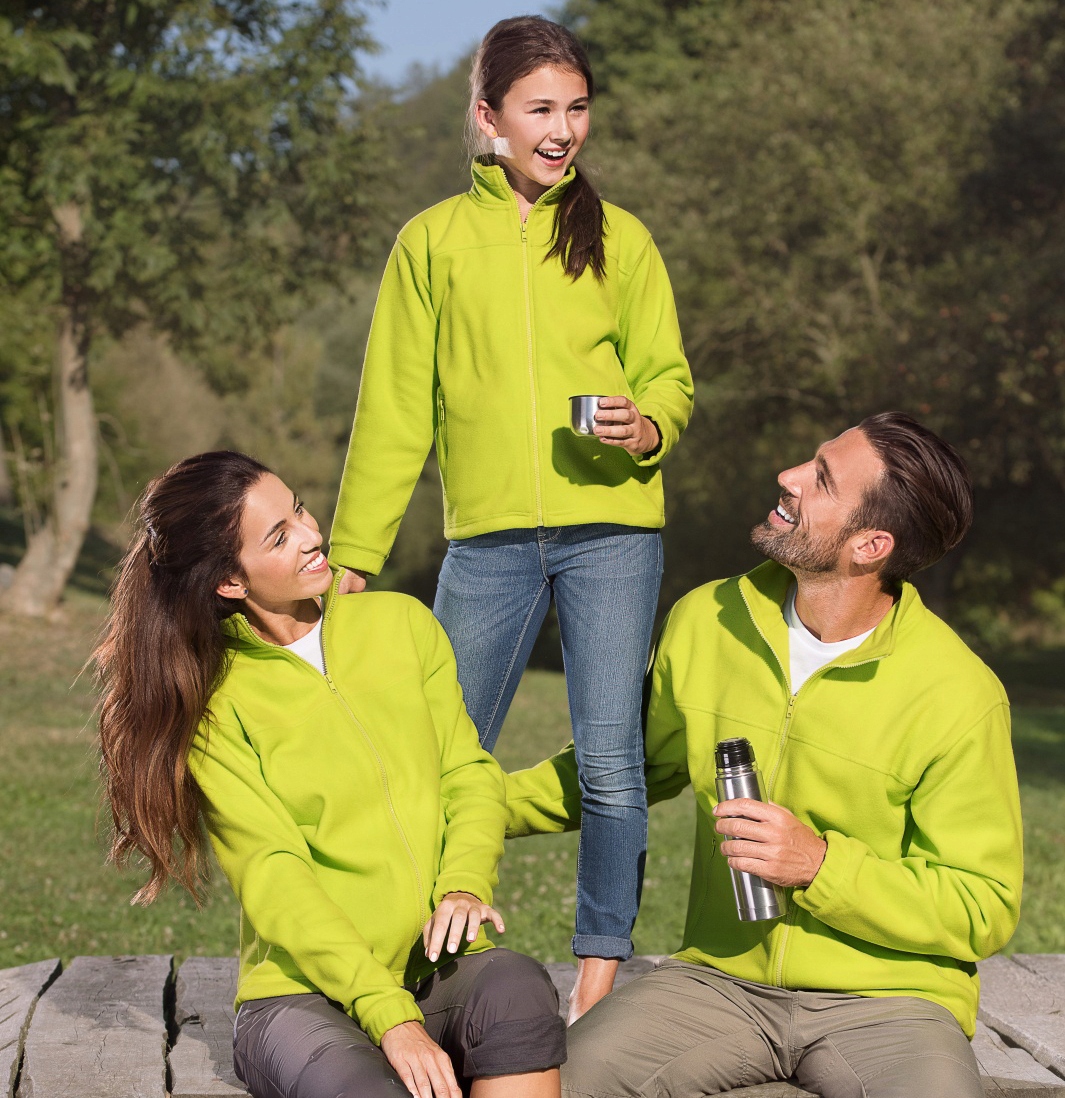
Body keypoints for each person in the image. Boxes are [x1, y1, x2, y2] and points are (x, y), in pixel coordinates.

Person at [328, 16, 694, 1019]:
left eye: (577, 108)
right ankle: (422, 955)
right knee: (436, 756)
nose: (562, 129)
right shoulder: (432, 243)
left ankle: (599, 975)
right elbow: (394, 411)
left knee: (611, 762)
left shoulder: (624, 241)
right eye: (540, 109)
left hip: (613, 532)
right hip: (485, 541)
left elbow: (668, 376)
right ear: (488, 117)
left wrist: (645, 425)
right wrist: (354, 554)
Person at [506, 412, 1024, 1098]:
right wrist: (465, 803)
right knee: (557, 1085)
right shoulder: (707, 621)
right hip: (719, 983)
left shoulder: (957, 692)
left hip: (892, 1002)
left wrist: (819, 866)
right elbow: (617, 771)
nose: (788, 477)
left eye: (821, 479)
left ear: (870, 545)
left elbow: (982, 905)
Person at [94, 451, 566, 1098]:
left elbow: (467, 774)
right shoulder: (217, 708)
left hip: (434, 967)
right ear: (229, 581)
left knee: (517, 991)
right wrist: (387, 1013)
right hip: (301, 996)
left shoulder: (403, 624)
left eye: (299, 510)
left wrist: (462, 884)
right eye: (279, 537)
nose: (312, 535)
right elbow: (274, 875)